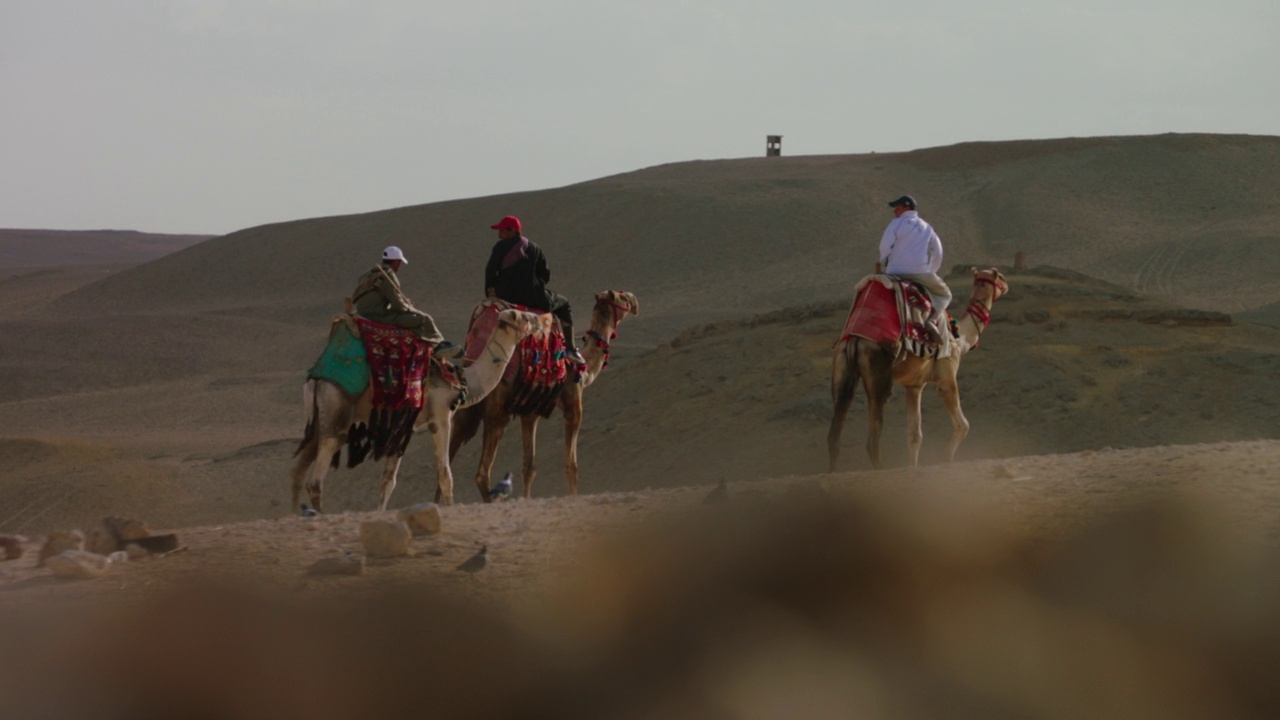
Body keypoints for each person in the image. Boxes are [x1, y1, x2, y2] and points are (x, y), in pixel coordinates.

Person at [484, 216, 585, 364]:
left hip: (504, 295)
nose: (499, 234)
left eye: (502, 231)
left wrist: (490, 291)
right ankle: (570, 349)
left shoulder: (500, 247)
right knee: (564, 303)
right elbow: (545, 274)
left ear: (512, 231)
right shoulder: (534, 248)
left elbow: (490, 270)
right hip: (532, 296)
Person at [351, 245, 457, 355]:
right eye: (399, 263)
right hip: (377, 316)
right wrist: (412, 309)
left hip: (363, 312)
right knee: (424, 319)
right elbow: (398, 304)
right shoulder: (388, 275)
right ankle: (439, 345)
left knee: (410, 321)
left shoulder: (371, 273)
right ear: (396, 262)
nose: (399, 266)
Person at [879, 195, 952, 341]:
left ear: (906, 207)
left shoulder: (896, 223)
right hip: (920, 272)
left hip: (894, 272)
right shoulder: (927, 227)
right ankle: (932, 320)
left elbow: (884, 247)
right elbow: (938, 252)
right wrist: (931, 270)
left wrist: (885, 261)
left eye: (897, 208)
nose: (894, 211)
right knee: (945, 294)